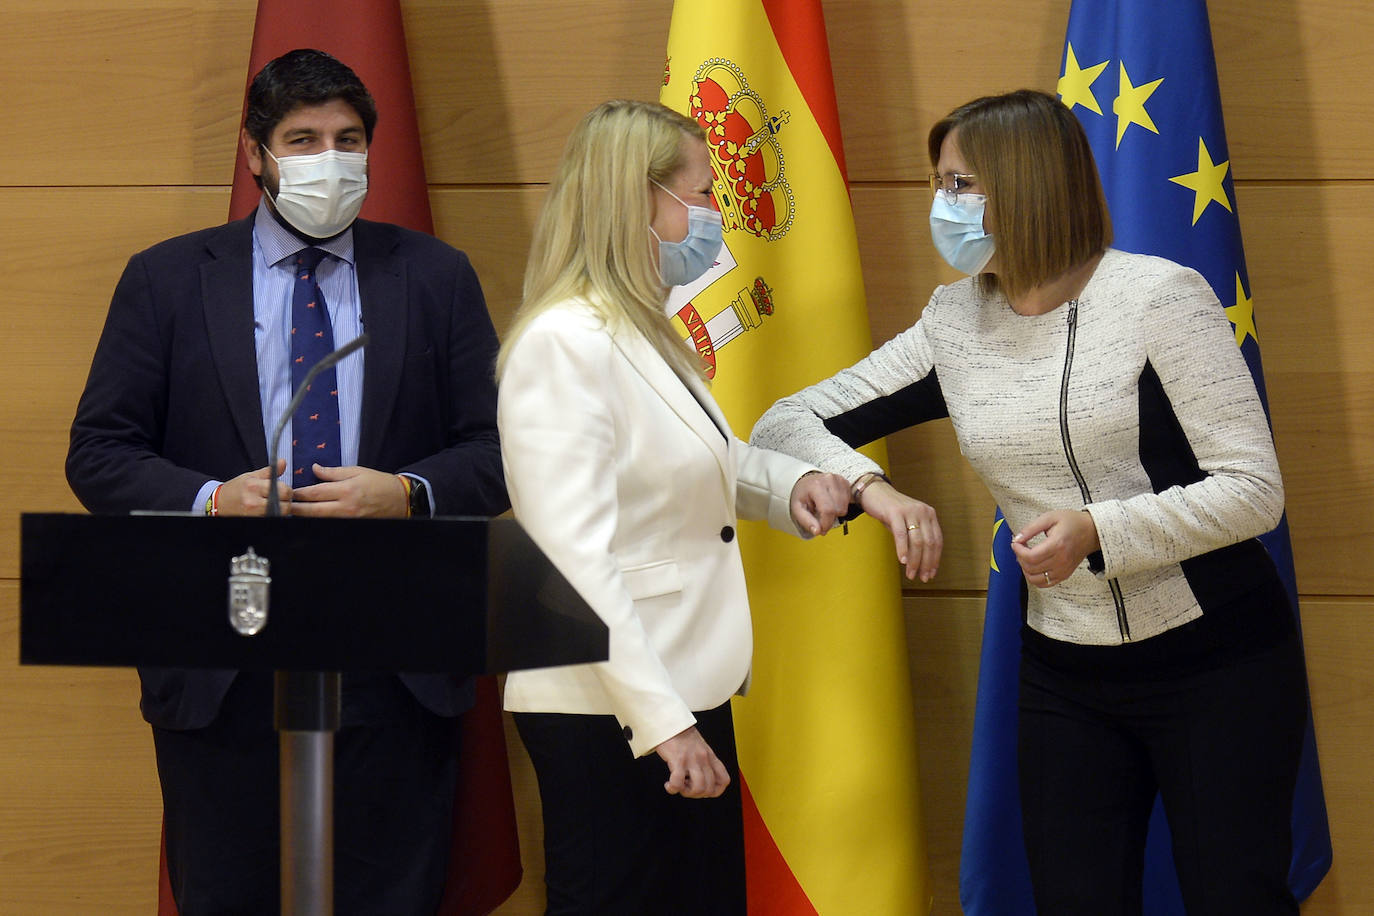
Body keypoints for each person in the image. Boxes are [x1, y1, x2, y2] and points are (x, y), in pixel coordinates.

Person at [751, 89, 1308, 915]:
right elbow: (785, 420)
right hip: (1065, 671)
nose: (940, 206)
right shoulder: (953, 320)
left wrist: (1096, 529)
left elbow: (1254, 492)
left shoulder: (1160, 297)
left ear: (1029, 183)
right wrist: (874, 491)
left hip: (1217, 658)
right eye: (938, 183)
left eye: (959, 184)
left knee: (1237, 896)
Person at [66, 49, 508, 914]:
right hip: (224, 664)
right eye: (301, 139)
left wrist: (410, 493)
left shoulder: (434, 277)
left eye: (347, 139)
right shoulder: (165, 279)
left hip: (395, 663)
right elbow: (98, 452)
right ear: (254, 153)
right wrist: (208, 500)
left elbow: (499, 449)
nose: (328, 159)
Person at [495, 99, 852, 915]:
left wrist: (788, 485)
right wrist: (662, 725)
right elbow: (570, 558)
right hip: (613, 706)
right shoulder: (566, 342)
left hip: (681, 679)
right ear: (639, 198)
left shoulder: (642, 328)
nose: (716, 215)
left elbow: (697, 465)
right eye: (701, 194)